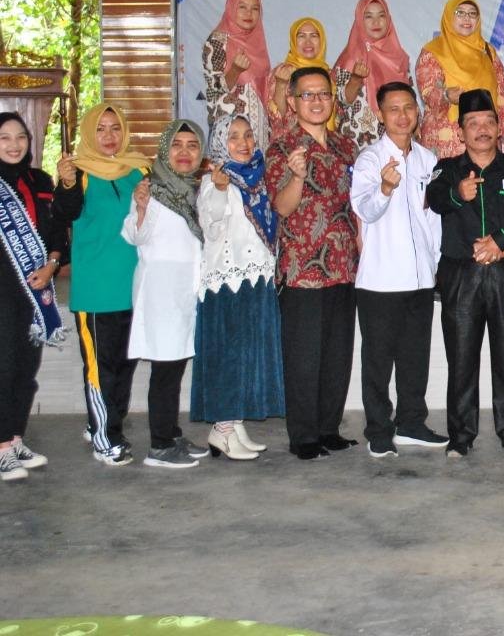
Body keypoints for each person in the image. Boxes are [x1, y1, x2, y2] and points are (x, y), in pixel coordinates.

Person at [427, 88, 504, 457]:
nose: (482, 129)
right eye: (473, 123)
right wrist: (458, 193)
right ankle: (461, 437)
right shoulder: (446, 169)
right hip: (461, 275)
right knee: (462, 359)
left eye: (489, 121)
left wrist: (499, 240)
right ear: (461, 131)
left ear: (499, 127)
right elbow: (435, 199)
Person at [267, 66, 360, 460]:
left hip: (344, 266)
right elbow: (282, 207)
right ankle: (303, 435)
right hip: (302, 268)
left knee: (337, 354)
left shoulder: (345, 146)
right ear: (292, 101)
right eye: (308, 95)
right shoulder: (282, 147)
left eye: (323, 94)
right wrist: (297, 176)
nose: (317, 101)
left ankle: (328, 428)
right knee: (304, 357)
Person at [351, 82, 447, 458]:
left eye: (409, 107)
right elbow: (365, 212)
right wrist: (385, 189)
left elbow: (434, 218)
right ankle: (378, 429)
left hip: (421, 278)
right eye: (394, 109)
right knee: (377, 359)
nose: (403, 115)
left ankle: (411, 422)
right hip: (380, 280)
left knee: (414, 356)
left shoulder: (428, 159)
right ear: (380, 114)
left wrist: (434, 263)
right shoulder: (370, 160)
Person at [54, 103, 149, 466]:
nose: (109, 137)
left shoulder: (138, 169)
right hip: (96, 290)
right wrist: (64, 184)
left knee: (125, 364)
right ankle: (105, 437)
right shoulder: (77, 172)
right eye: (101, 129)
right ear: (89, 134)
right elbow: (65, 213)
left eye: (115, 129)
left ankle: (107, 421)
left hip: (134, 286)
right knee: (100, 368)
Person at [191, 114, 286, 461]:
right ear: (220, 144)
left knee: (248, 356)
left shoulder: (258, 179)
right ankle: (222, 429)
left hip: (257, 278)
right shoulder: (215, 181)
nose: (243, 143)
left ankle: (234, 422)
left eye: (248, 135)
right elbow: (211, 226)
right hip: (227, 283)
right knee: (228, 357)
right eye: (233, 137)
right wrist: (217, 190)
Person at [122, 120, 210, 470]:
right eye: (177, 145)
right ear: (164, 150)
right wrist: (141, 209)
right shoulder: (151, 190)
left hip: (185, 291)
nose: (184, 152)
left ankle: (171, 434)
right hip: (160, 292)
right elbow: (134, 236)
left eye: (192, 145)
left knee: (175, 367)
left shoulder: (195, 189)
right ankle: (159, 446)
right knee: (165, 368)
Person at [0, 113, 68, 481]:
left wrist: (53, 264)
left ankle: (14, 439)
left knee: (26, 371)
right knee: (3, 368)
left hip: (35, 288)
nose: (14, 145)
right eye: (4, 138)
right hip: (1, 292)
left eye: (20, 137)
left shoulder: (40, 181)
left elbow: (56, 229)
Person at [415, 0, 504, 159]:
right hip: (447, 145)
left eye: (472, 13)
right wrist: (446, 95)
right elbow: (428, 93)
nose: (467, 18)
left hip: (486, 144)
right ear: (449, 16)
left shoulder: (487, 51)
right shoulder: (433, 52)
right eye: (460, 13)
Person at [333, 0, 412, 148]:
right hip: (358, 142)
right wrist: (356, 78)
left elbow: (409, 98)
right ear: (359, 21)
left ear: (388, 19)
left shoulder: (399, 57)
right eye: (368, 17)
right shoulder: (350, 56)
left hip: (397, 139)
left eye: (381, 16)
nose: (376, 22)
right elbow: (343, 100)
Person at [203, 0, 274, 142]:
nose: (249, 13)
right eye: (242, 7)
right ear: (231, 8)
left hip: (259, 128)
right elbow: (214, 91)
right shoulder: (217, 42)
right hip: (230, 129)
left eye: (255, 9)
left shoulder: (258, 42)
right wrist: (235, 70)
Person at [267, 17, 330, 139]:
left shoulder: (329, 74)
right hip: (291, 144)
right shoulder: (282, 72)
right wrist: (281, 85)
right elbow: (278, 115)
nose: (308, 42)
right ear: (293, 41)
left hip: (327, 144)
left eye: (313, 35)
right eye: (301, 36)